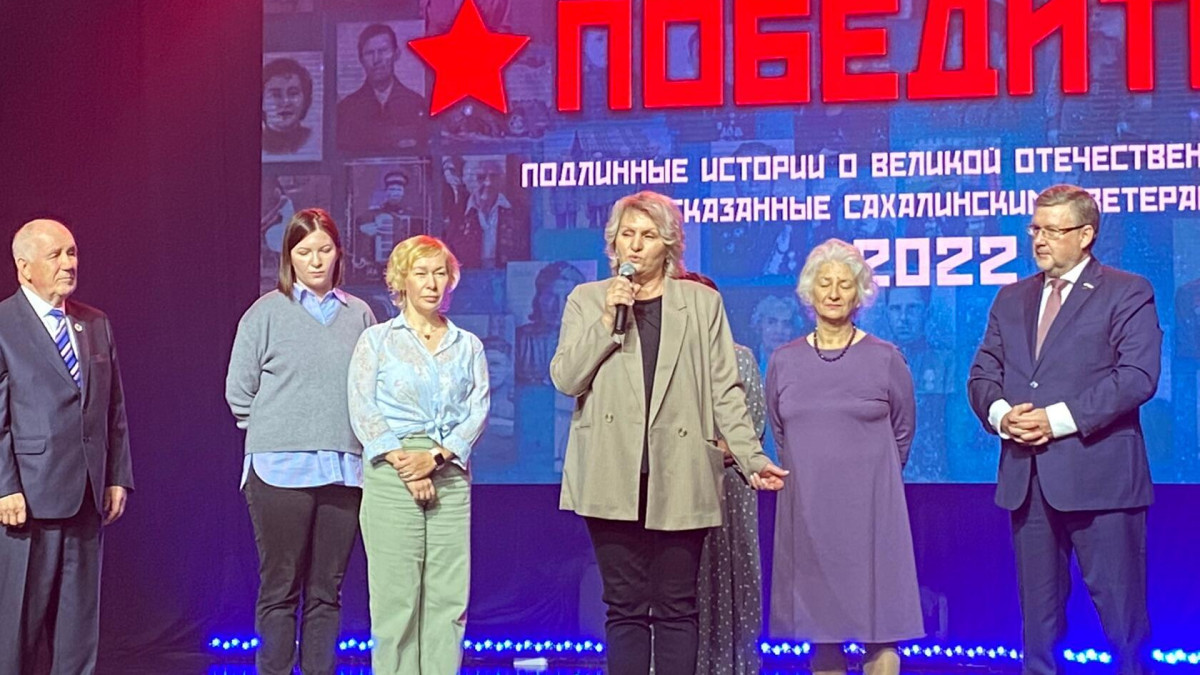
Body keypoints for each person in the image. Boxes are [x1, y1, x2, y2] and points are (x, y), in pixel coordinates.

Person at [550, 191, 787, 675]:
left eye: (648, 235)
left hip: (680, 471)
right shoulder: (587, 299)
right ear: (613, 242)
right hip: (610, 471)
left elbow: (725, 390)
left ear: (670, 245)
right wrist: (606, 322)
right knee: (624, 606)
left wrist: (751, 457)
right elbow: (567, 378)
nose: (635, 246)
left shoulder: (702, 303)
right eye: (627, 235)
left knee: (677, 606)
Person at [968, 184, 1161, 675]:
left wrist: (1053, 421)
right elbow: (983, 375)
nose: (1039, 240)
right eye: (1035, 228)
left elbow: (1137, 377)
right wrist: (1002, 415)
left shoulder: (1127, 291)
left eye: (1052, 230)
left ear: (1086, 234)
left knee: (1124, 627)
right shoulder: (1011, 298)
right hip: (1028, 485)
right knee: (1039, 632)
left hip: (1103, 482)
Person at [225, 209, 376, 675]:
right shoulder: (265, 312)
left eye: (324, 250)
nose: (315, 260)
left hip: (343, 469)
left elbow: (371, 388)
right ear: (288, 256)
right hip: (279, 469)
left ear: (338, 254)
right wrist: (280, 429)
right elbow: (239, 392)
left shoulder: (359, 314)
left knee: (327, 591)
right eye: (304, 251)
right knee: (280, 587)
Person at [767, 238, 923, 675]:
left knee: (881, 628)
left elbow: (903, 431)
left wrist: (874, 481)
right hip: (809, 514)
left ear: (860, 294)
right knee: (822, 630)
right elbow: (780, 433)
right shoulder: (783, 360)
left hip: (874, 513)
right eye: (825, 283)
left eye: (845, 284)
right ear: (809, 291)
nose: (834, 293)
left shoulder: (886, 358)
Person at [348, 235, 489, 675]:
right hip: (392, 471)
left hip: (449, 470)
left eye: (440, 273)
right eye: (421, 273)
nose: (431, 283)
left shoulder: (468, 345)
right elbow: (362, 407)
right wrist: (407, 464)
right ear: (401, 280)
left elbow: (478, 410)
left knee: (448, 600)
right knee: (397, 600)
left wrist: (437, 458)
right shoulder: (377, 341)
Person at [0, 219, 134, 674]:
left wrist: (117, 476)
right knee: (20, 627)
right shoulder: (4, 324)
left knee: (78, 629)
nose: (68, 263)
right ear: (24, 267)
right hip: (28, 502)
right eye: (55, 255)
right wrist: (5, 486)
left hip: (87, 496)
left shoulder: (94, 323)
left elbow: (114, 407)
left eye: (72, 252)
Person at [678, 271, 764, 675]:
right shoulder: (664, 359)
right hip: (675, 487)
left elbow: (753, 427)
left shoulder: (740, 357)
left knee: (731, 578)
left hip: (728, 488)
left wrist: (704, 453)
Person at [336, 23, 426, 153]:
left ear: (396, 54)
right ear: (361, 59)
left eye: (383, 51)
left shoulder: (417, 104)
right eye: (369, 53)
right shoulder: (346, 110)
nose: (376, 59)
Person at [444, 158, 527, 268]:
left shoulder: (518, 213)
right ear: (468, 181)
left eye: (494, 176)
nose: (488, 183)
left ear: (501, 180)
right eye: (481, 177)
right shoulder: (456, 216)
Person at [262, 57, 316, 157]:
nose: (285, 102)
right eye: (275, 95)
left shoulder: (314, 139)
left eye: (293, 93)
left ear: (305, 99)